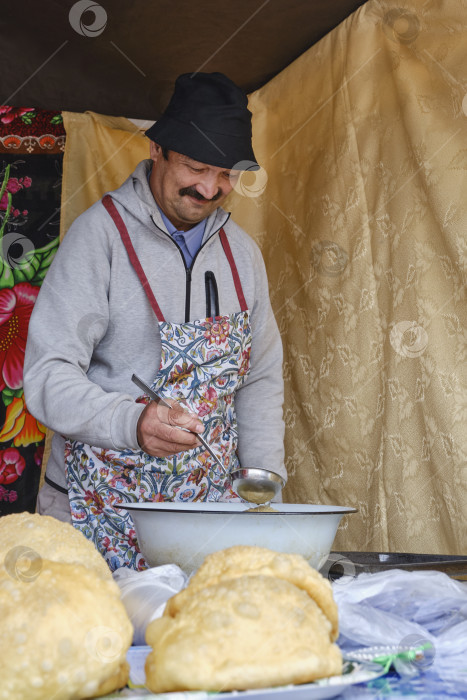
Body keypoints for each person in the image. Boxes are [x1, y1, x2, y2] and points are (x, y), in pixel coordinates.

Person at [23, 72, 285, 571]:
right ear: (157, 150)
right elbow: (46, 376)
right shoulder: (98, 237)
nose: (210, 188)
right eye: (196, 166)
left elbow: (260, 378)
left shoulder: (242, 257)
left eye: (227, 174)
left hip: (210, 518)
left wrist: (262, 485)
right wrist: (132, 422)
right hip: (96, 512)